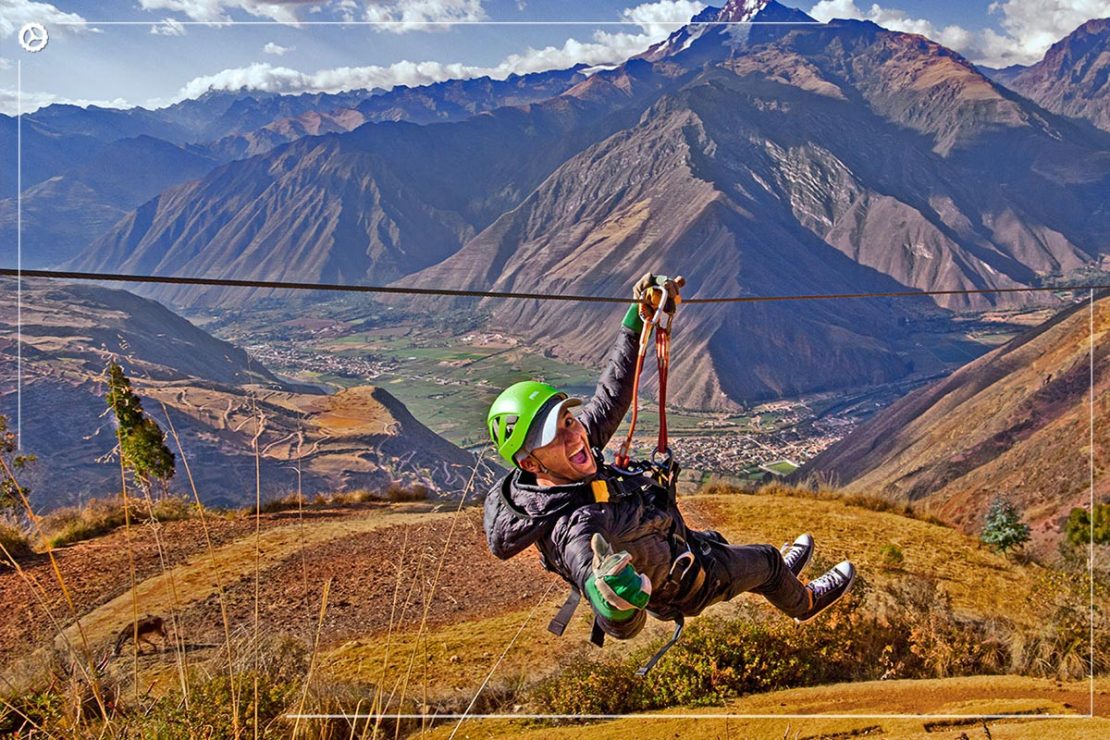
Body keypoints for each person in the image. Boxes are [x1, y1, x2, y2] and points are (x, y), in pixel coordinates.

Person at [482, 273, 856, 648]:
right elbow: (607, 603)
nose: (574, 434)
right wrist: (615, 603)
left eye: (569, 419)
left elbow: (613, 394)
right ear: (532, 464)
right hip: (691, 581)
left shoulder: (569, 457)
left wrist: (637, 319)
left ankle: (776, 580)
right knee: (767, 561)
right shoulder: (574, 527)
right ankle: (804, 601)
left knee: (746, 560)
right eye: (555, 435)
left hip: (681, 544)